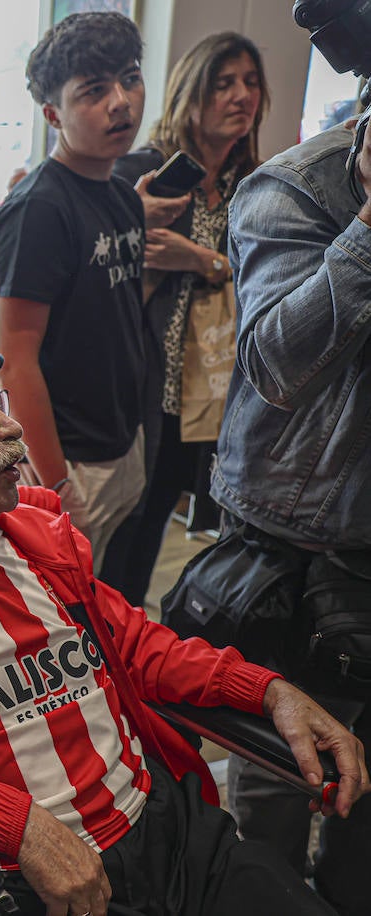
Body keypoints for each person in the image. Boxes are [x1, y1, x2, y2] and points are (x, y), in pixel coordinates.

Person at [0, 340, 367, 916]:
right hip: (21, 882)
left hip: (167, 831)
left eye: (0, 402)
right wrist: (16, 825)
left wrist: (266, 690)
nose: (12, 429)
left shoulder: (36, 537)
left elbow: (135, 644)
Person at [197, 109, 371, 915]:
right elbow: (273, 361)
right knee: (280, 771)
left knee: (362, 803)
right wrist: (370, 227)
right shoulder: (293, 189)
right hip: (300, 538)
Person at [0, 12, 163, 566]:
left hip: (122, 438)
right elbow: (14, 360)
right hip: (71, 456)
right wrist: (57, 484)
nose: (121, 102)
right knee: (67, 609)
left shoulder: (123, 195)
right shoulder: (39, 209)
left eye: (129, 79)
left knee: (105, 597)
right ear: (52, 113)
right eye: (93, 91)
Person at [101, 32, 267, 606]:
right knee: (118, 534)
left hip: (207, 394)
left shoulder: (254, 187)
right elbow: (101, 290)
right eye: (224, 84)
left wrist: (204, 261)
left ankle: (126, 651)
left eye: (250, 83)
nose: (241, 96)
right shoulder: (142, 173)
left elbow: (268, 288)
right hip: (138, 385)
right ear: (191, 93)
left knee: (152, 533)